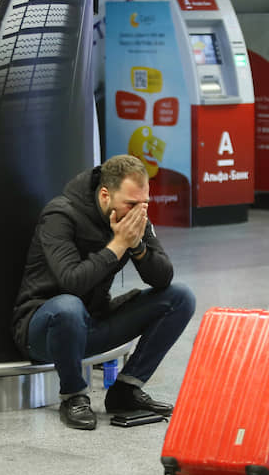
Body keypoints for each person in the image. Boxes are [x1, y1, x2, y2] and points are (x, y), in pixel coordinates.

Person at [12, 155, 196, 430]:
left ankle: (126, 390)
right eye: (131, 204)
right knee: (68, 307)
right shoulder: (59, 215)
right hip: (45, 330)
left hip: (93, 322)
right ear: (105, 194)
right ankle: (73, 395)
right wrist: (119, 245)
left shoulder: (136, 219)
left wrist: (138, 247)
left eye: (144, 203)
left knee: (180, 296)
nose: (138, 212)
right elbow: (72, 281)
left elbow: (162, 277)